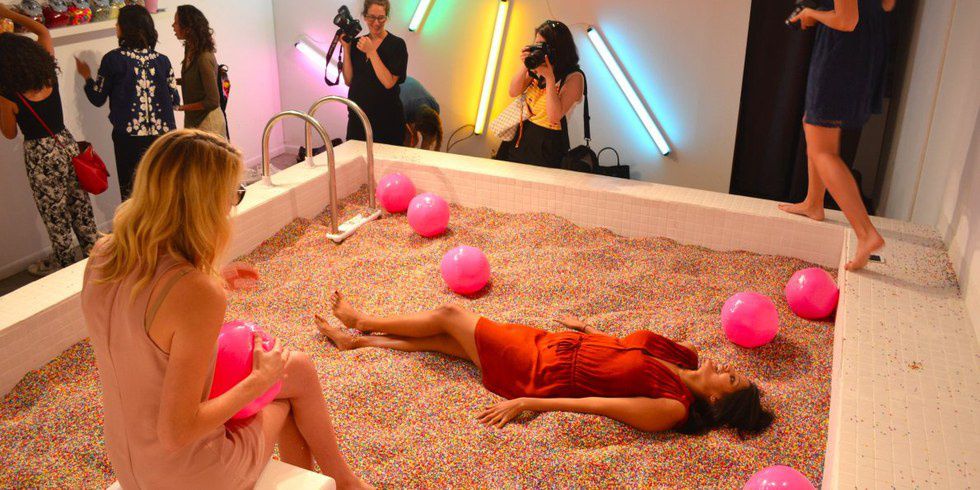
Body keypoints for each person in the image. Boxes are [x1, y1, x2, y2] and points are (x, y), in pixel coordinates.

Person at [80, 130, 371, 489]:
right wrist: (258, 381)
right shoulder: (195, 291)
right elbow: (176, 432)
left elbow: (144, 320)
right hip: (189, 474)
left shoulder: (104, 255)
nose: (232, 206)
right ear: (204, 204)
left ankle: (341, 481)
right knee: (292, 382)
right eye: (233, 194)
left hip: (129, 460)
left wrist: (210, 278)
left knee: (296, 368)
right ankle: (343, 483)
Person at [316, 292, 774, 436]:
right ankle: (357, 344)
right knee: (447, 344)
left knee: (449, 317)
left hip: (541, 373)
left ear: (717, 400)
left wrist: (527, 402)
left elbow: (598, 405)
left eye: (730, 377)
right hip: (555, 344)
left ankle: (361, 321)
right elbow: (626, 350)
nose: (724, 366)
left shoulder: (672, 407)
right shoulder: (685, 355)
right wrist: (588, 329)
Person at [779, 0, 891, 270]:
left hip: (841, 54)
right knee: (814, 123)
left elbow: (846, 21)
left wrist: (812, 14)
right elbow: (886, 5)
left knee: (823, 150)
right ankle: (813, 202)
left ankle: (866, 233)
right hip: (862, 49)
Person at [0, 5, 98, 277]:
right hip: (65, 143)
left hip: (39, 154)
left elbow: (9, 133)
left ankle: (67, 274)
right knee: (81, 208)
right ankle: (97, 262)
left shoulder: (8, 95)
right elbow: (42, 31)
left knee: (56, 219)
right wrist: (8, 14)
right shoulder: (48, 75)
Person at [77, 4, 180, 200]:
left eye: (118, 23)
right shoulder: (163, 61)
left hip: (129, 140)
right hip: (163, 138)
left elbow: (97, 98)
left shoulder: (113, 60)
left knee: (133, 193)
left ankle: (137, 222)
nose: (116, 27)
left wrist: (87, 77)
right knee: (164, 192)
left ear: (127, 27)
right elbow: (175, 99)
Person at [495, 20, 584, 168]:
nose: (540, 51)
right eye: (537, 44)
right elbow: (513, 91)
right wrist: (525, 65)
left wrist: (549, 78)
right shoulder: (537, 66)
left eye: (544, 46)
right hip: (521, 134)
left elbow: (554, 116)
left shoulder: (574, 77)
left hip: (547, 145)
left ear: (558, 49)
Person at [340, 0, 408, 146]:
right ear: (364, 17)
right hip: (358, 118)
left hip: (387, 121)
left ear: (386, 17)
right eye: (372, 17)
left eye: (381, 18)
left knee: (385, 160)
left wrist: (371, 51)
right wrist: (347, 48)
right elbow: (349, 80)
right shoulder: (357, 43)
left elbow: (388, 82)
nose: (376, 23)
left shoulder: (397, 45)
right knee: (356, 157)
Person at [172, 5, 226, 139]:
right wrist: (170, 81)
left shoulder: (204, 57)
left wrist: (180, 107)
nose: (173, 26)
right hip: (194, 121)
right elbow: (194, 81)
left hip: (209, 124)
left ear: (188, 27)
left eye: (176, 22)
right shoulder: (190, 50)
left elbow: (212, 101)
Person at [400, 76, 442, 150]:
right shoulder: (404, 108)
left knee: (422, 141)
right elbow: (407, 136)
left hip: (410, 93)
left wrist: (426, 144)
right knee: (408, 138)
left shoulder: (434, 106)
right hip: (397, 85)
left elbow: (429, 137)